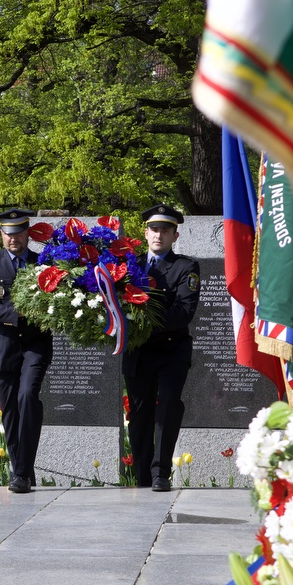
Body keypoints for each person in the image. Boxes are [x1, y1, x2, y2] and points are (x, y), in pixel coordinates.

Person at [121, 204, 200, 492]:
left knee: (167, 407)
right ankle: (143, 476)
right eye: (154, 229)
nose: (159, 235)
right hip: (138, 352)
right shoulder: (129, 266)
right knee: (139, 413)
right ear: (145, 233)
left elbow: (184, 311)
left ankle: (160, 473)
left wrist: (142, 322)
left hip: (171, 350)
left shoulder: (186, 267)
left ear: (175, 236)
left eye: (165, 230)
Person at [0, 209, 53, 494]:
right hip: (3, 348)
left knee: (28, 396)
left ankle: (20, 473)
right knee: (10, 413)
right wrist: (20, 311)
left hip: (35, 345)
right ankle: (23, 470)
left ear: (27, 234)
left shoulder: (43, 264)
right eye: (8, 234)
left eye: (18, 233)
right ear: (1, 235)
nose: (13, 239)